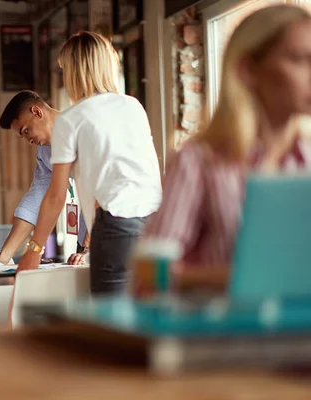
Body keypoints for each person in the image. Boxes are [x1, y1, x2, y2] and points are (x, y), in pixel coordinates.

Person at [140, 4, 311, 292]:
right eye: (299, 60)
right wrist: (248, 278)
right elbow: (149, 277)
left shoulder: (305, 162)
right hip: (220, 334)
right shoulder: (199, 162)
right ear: (248, 70)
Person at [16, 31, 162, 295]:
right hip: (156, 227)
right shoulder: (133, 106)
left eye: (64, 70)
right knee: (146, 320)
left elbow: (55, 196)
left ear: (75, 70)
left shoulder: (70, 118)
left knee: (111, 325)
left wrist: (33, 251)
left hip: (117, 227)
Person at [0, 90, 90, 265]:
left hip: (115, 224)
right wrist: (3, 258)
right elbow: (35, 201)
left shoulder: (82, 127)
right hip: (88, 234)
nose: (28, 140)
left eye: (26, 131)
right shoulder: (45, 153)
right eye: (22, 136)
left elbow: (103, 190)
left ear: (37, 112)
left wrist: (88, 247)